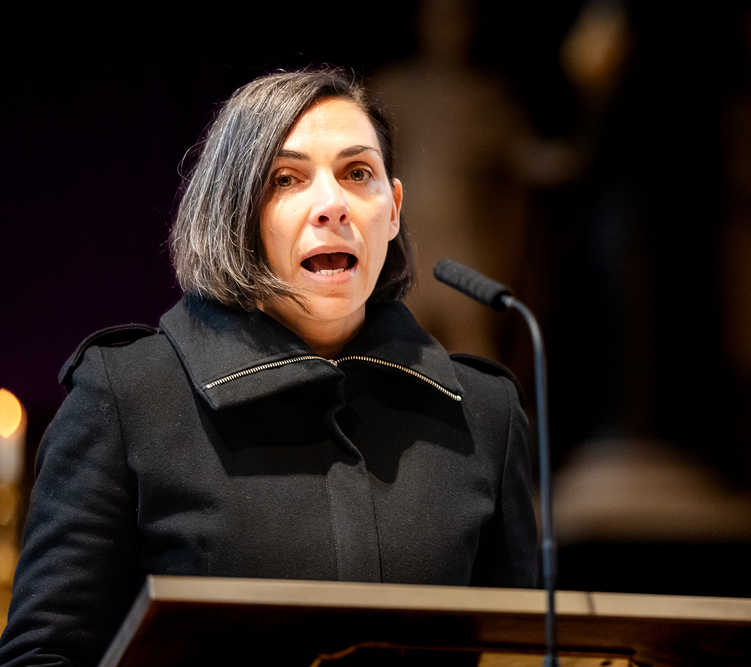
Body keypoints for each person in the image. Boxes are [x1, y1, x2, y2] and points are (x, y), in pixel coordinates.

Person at [0, 67, 537, 666]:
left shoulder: (483, 413)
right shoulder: (128, 396)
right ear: (235, 214)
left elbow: (525, 654)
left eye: (358, 173)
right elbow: (44, 656)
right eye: (287, 179)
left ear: (393, 210)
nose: (332, 205)